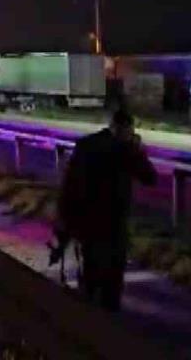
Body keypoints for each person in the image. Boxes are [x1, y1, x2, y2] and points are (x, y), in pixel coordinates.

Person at [54, 108, 158, 311]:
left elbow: (69, 186)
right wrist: (138, 150)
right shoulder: (126, 149)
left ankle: (91, 317)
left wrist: (65, 222)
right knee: (112, 279)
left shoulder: (86, 145)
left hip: (87, 222)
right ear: (127, 128)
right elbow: (149, 178)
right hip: (114, 224)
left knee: (91, 272)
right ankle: (108, 321)